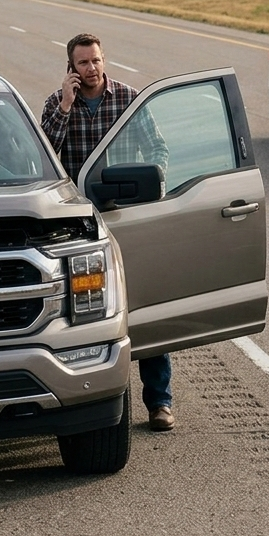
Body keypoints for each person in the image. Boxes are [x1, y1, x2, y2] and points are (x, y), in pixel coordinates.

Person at [41, 32, 174, 431]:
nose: (92, 69)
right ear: (71, 68)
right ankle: (88, 401)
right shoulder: (55, 103)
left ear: (104, 59)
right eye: (83, 63)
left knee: (145, 307)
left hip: (127, 218)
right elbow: (44, 157)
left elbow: (159, 151)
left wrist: (149, 189)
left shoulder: (128, 99)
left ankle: (160, 403)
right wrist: (65, 105)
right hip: (81, 227)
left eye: (96, 60)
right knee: (87, 314)